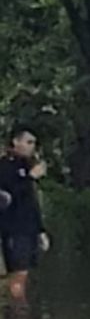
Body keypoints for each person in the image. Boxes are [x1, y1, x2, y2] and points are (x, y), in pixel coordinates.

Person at [0, 126, 48, 301]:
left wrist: (40, 231)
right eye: (28, 142)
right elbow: (10, 196)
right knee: (18, 275)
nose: (32, 146)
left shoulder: (26, 165)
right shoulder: (5, 166)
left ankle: (20, 316)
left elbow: (31, 202)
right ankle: (17, 315)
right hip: (13, 229)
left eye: (34, 143)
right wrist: (30, 178)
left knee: (24, 274)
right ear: (16, 142)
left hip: (28, 229)